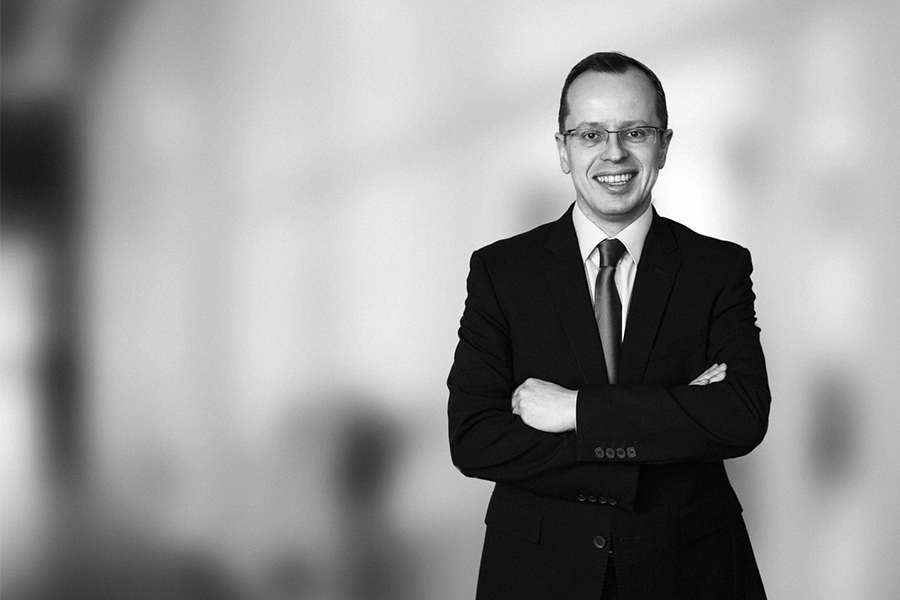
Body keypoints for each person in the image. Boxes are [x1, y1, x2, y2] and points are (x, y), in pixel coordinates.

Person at [447, 51, 770, 599]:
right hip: (538, 573)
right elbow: (474, 438)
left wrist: (574, 410)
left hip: (691, 571)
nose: (613, 152)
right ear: (563, 150)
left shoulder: (717, 268)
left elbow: (740, 417)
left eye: (635, 132)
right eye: (590, 134)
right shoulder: (501, 272)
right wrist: (670, 418)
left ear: (664, 146)